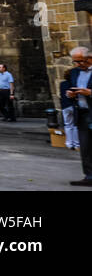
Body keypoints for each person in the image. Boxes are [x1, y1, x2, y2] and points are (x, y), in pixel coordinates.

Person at [64, 47, 92, 186]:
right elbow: (71, 87)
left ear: (89, 58)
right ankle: (89, 176)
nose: (78, 64)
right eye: (75, 62)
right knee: (85, 147)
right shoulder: (74, 73)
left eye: (80, 61)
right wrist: (70, 94)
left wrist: (90, 93)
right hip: (81, 113)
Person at [59, 72, 81, 151]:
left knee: (68, 125)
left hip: (65, 105)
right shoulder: (74, 84)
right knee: (75, 125)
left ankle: (69, 143)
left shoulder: (62, 84)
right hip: (73, 105)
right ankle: (76, 144)